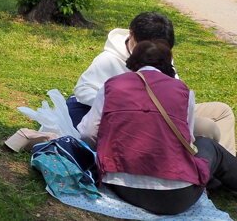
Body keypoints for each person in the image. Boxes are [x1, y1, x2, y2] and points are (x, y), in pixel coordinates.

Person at [78, 40, 237, 215]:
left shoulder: (111, 86)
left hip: (120, 186)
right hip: (175, 198)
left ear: (132, 61)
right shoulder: (182, 91)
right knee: (208, 146)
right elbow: (187, 141)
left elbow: (87, 133)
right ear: (169, 65)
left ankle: (216, 181)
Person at [69, 12, 236, 155]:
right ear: (132, 35)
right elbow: (82, 90)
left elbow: (176, 91)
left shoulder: (161, 56)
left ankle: (226, 162)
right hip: (138, 119)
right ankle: (209, 167)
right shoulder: (109, 60)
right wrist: (124, 105)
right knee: (207, 127)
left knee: (222, 111)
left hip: (166, 111)